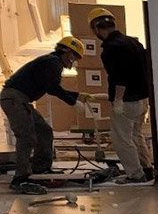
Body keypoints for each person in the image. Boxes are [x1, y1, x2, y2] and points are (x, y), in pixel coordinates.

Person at [1, 37, 93, 195]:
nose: (74, 62)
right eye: (75, 57)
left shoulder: (51, 62)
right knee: (26, 137)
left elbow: (50, 86)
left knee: (44, 131)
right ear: (67, 51)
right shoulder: (54, 63)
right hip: (15, 98)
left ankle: (41, 168)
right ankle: (20, 179)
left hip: (20, 98)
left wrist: (77, 95)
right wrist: (72, 102)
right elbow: (52, 88)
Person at [89, 7, 153, 185]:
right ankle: (147, 169)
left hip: (126, 101)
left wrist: (118, 100)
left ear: (96, 28)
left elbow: (119, 77)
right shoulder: (133, 42)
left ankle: (135, 174)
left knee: (122, 139)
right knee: (136, 135)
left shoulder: (111, 49)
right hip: (142, 100)